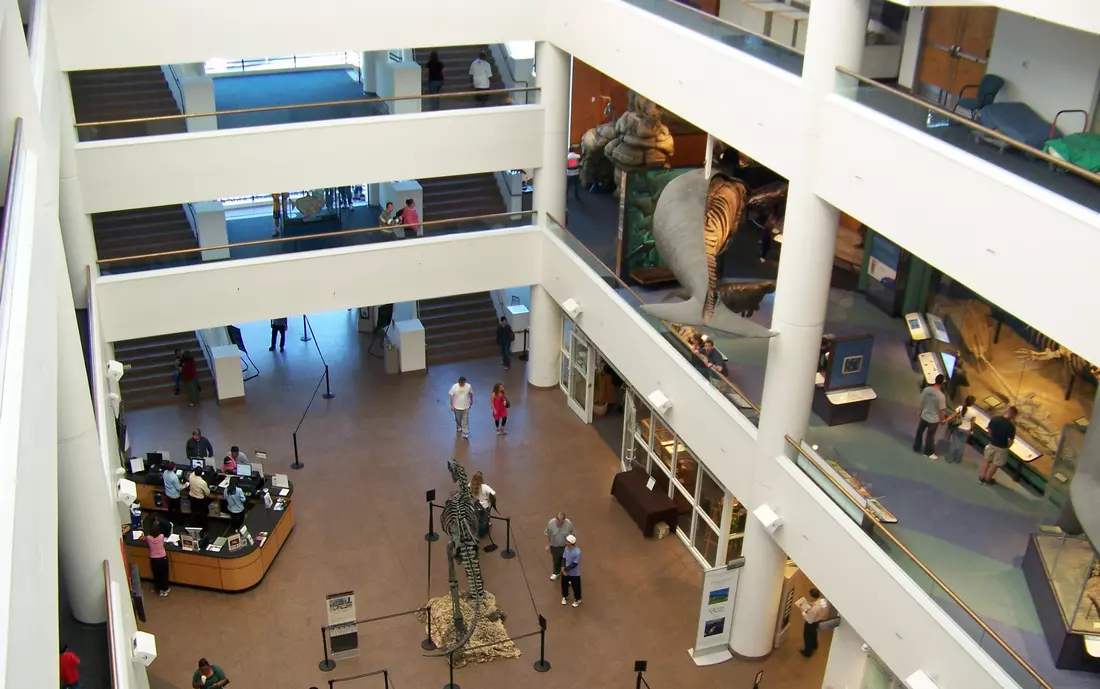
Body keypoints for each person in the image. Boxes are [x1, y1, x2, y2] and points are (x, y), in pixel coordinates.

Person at [980, 406, 1017, 485]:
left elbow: (989, 430)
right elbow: (1011, 440)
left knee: (987, 460)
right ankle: (987, 479)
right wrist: (1007, 447)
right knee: (995, 464)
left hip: (992, 443)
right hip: (1001, 447)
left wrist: (991, 438)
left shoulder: (995, 418)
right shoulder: (1011, 426)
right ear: (1013, 415)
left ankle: (982, 477)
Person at [913, 374, 947, 460]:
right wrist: (942, 420)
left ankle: (916, 447)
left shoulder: (926, 390)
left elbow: (922, 402)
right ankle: (927, 452)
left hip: (924, 415)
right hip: (933, 420)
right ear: (942, 383)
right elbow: (942, 410)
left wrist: (920, 411)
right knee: (930, 436)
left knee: (919, 432)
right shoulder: (941, 396)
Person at [944, 394, 978, 464]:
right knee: (962, 445)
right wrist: (971, 430)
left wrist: (945, 420)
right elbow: (973, 423)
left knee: (954, 444)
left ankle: (950, 459)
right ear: (973, 403)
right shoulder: (974, 412)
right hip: (966, 430)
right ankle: (958, 459)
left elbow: (952, 416)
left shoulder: (960, 408)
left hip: (958, 428)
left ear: (965, 401)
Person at [544, 512, 575, 580]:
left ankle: (567, 576)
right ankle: (556, 572)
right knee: (556, 560)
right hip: (554, 547)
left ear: (564, 520)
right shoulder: (551, 523)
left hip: (565, 547)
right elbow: (547, 534)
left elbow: (572, 534)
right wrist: (548, 544)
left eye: (560, 522)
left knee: (566, 561)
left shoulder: (568, 524)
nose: (558, 523)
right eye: (557, 521)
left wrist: (572, 546)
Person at [800, 588, 830, 657]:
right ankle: (814, 645)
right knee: (814, 634)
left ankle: (807, 652)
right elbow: (824, 609)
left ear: (812, 596)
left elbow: (809, 620)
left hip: (811, 624)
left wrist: (803, 612)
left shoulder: (813, 610)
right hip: (819, 621)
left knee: (807, 637)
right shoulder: (823, 601)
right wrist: (811, 604)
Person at [147, 519, 171, 596]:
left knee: (157, 575)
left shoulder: (148, 538)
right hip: (162, 558)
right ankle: (165, 589)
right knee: (164, 574)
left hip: (154, 559)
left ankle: (159, 589)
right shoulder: (161, 536)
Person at [469, 470, 495, 538]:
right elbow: (493, 494)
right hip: (484, 505)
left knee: (476, 517)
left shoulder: (470, 485)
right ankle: (488, 524)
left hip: (475, 505)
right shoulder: (485, 487)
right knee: (486, 516)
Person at [559, 534, 582, 607]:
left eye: (567, 541)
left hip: (574, 573)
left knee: (576, 587)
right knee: (564, 585)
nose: (565, 542)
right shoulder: (566, 548)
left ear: (570, 543)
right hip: (566, 571)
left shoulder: (577, 552)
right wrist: (563, 567)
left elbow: (574, 564)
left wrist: (565, 569)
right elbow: (564, 558)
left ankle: (577, 599)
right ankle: (565, 596)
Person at [188, 466, 211, 531]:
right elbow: (207, 493)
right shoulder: (202, 482)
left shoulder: (191, 475)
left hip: (192, 497)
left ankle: (193, 525)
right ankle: (205, 528)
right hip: (200, 500)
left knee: (193, 512)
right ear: (201, 473)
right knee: (204, 513)